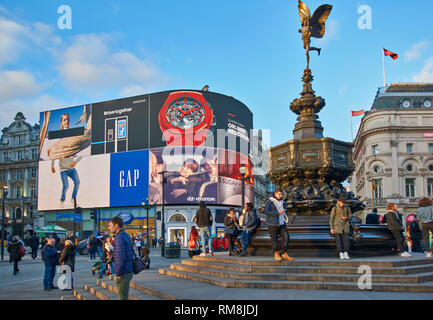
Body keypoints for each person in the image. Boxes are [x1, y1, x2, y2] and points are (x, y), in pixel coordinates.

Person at [50, 113, 82, 207]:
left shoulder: (73, 134)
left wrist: (75, 161)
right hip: (63, 169)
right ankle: (62, 200)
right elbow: (53, 153)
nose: (67, 121)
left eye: (68, 119)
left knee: (77, 182)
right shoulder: (59, 136)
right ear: (61, 122)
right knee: (66, 186)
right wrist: (52, 166)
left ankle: (73, 198)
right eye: (64, 120)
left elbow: (80, 152)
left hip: (71, 168)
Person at [107, 216, 134, 300]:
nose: (108, 228)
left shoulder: (118, 238)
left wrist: (118, 273)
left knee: (122, 297)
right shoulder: (126, 235)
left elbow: (120, 258)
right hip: (128, 269)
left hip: (123, 272)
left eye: (110, 225)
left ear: (116, 226)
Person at [264, 190, 293, 261]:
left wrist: (284, 213)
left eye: (281, 194)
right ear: (275, 194)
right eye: (279, 194)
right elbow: (266, 211)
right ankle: (276, 253)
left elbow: (285, 210)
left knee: (286, 237)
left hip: (282, 223)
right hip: (273, 223)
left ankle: (284, 253)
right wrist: (277, 213)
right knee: (274, 239)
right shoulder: (270, 202)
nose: (281, 196)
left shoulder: (283, 202)